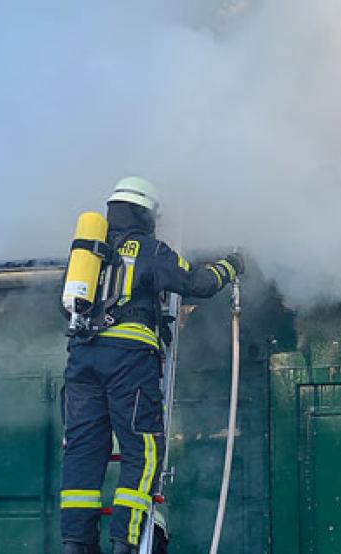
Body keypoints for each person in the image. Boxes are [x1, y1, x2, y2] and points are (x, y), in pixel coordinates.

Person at [60, 176, 244, 554]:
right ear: (145, 213)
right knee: (142, 449)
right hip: (128, 363)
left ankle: (76, 544)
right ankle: (125, 544)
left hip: (81, 361)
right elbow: (199, 284)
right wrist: (232, 264)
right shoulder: (149, 249)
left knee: (83, 450)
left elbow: (62, 305)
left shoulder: (88, 253)